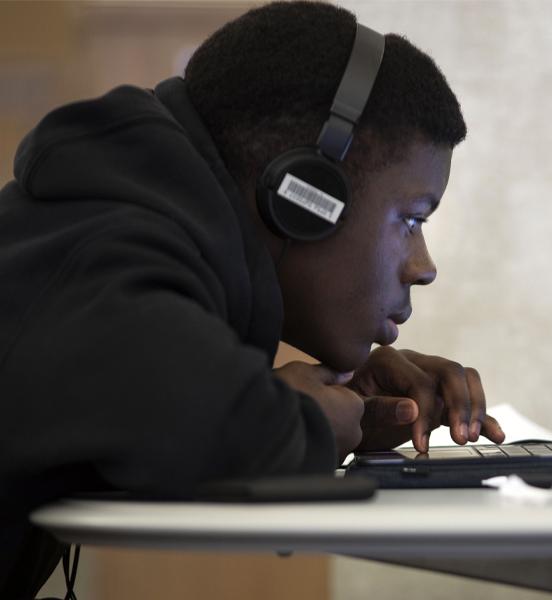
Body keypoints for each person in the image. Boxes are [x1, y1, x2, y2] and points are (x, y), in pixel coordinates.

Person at [0, 2, 505, 597]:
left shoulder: (123, 236)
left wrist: (343, 407)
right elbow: (212, 426)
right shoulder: (106, 248)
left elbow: (151, 404)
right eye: (411, 220)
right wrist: (310, 420)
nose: (424, 268)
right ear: (306, 196)